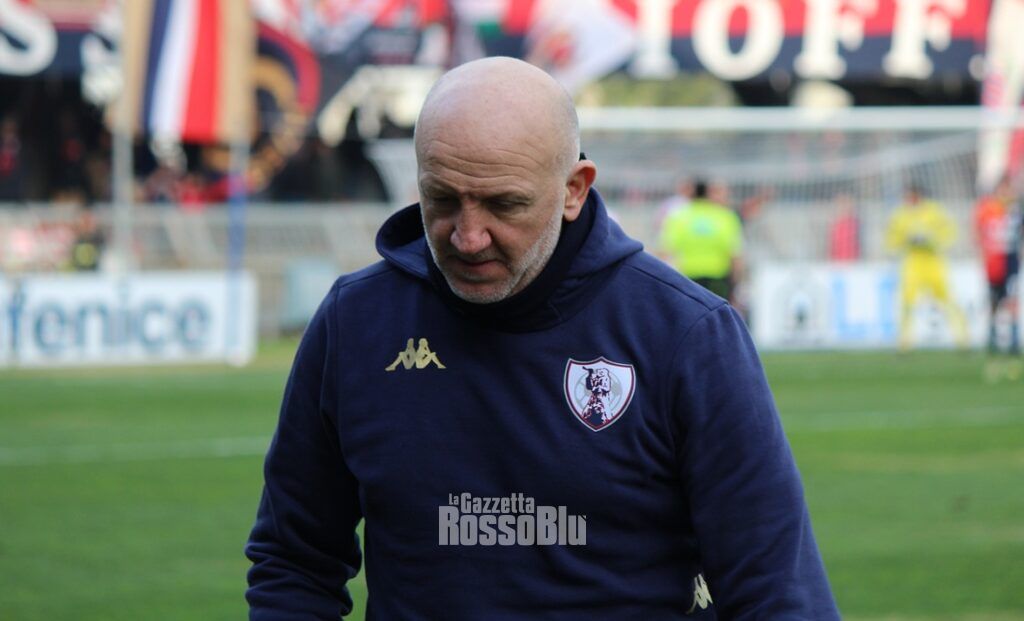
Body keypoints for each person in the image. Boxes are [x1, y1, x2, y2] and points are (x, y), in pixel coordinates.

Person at [246, 57, 838, 620]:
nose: (469, 236)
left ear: (575, 188)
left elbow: (776, 592)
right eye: (442, 200)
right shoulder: (357, 322)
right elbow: (295, 560)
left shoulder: (686, 335)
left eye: (505, 204)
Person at [885, 185, 968, 350]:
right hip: (913, 262)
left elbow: (949, 233)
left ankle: (962, 340)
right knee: (907, 302)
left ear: (919, 195)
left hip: (933, 261)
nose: (910, 200)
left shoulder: (934, 211)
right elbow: (891, 239)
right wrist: (905, 242)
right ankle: (904, 343)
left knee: (948, 300)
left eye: (912, 196)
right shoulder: (900, 215)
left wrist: (932, 241)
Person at [658, 179, 743, 302]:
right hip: (717, 276)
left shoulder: (678, 217)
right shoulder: (725, 216)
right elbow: (735, 254)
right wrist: (735, 284)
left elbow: (664, 251)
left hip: (688, 277)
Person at [974, 177, 1022, 356]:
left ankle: (1014, 339)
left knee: (1012, 298)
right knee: (994, 299)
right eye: (1003, 189)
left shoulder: (1016, 210)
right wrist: (981, 251)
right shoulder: (987, 209)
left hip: (1011, 259)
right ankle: (992, 336)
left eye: (1008, 190)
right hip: (994, 259)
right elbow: (978, 231)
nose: (1006, 193)